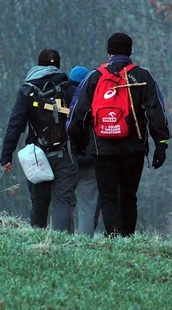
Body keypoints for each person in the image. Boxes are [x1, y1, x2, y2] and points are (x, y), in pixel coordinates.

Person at [66, 32, 171, 237]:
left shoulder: (94, 76)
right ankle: (128, 237)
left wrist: (78, 142)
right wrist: (161, 143)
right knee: (129, 196)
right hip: (133, 148)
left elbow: (77, 112)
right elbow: (157, 112)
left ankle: (113, 235)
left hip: (102, 147)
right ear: (130, 51)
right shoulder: (142, 77)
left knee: (108, 196)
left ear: (109, 52)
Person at [0, 49, 78, 232]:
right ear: (57, 65)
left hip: (36, 156)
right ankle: (63, 244)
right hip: (64, 154)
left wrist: (6, 155)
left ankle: (37, 242)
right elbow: (82, 120)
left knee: (39, 204)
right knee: (63, 202)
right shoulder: (69, 89)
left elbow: (15, 125)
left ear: (38, 64)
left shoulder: (27, 92)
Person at [68, 65, 101, 237]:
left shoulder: (63, 98)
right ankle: (84, 241)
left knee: (65, 202)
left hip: (69, 160)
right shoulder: (96, 99)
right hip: (91, 160)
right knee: (88, 205)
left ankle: (64, 238)